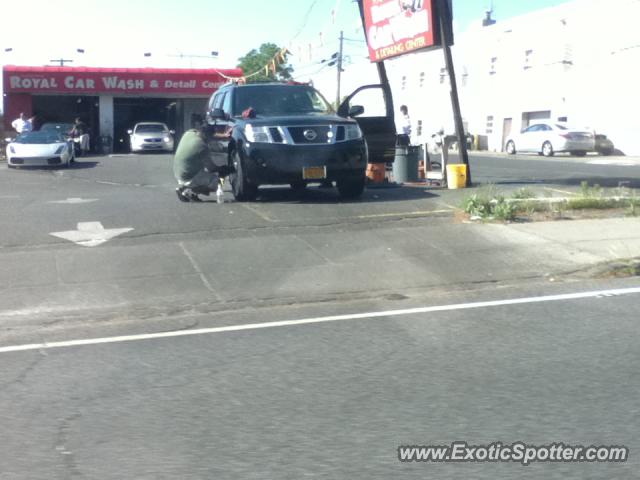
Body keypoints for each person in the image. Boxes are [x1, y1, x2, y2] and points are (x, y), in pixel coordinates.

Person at [173, 125, 231, 202]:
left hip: (178, 172)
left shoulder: (189, 133)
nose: (211, 140)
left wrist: (224, 136)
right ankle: (188, 191)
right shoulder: (202, 146)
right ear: (207, 136)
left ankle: (186, 188)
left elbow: (208, 135)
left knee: (201, 169)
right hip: (188, 176)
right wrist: (223, 170)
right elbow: (211, 168)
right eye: (211, 138)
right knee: (218, 182)